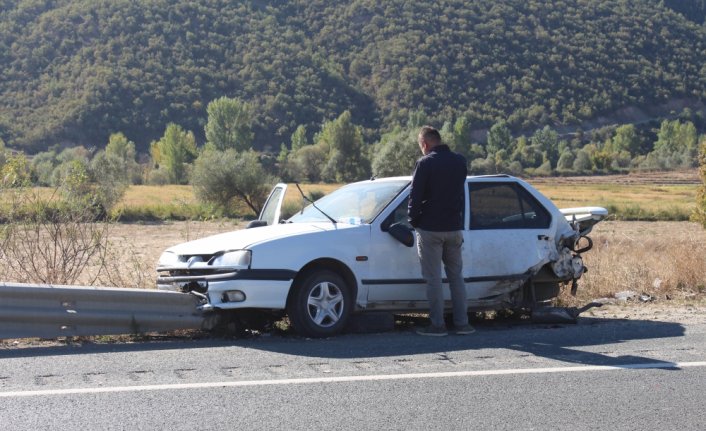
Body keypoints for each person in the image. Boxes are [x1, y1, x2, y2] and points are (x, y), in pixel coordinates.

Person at [408, 126, 474, 336]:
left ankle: (437, 325)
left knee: (433, 278)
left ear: (425, 144)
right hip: (454, 227)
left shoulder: (425, 163)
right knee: (456, 277)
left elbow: (415, 195)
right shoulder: (459, 161)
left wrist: (413, 220)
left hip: (430, 229)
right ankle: (462, 324)